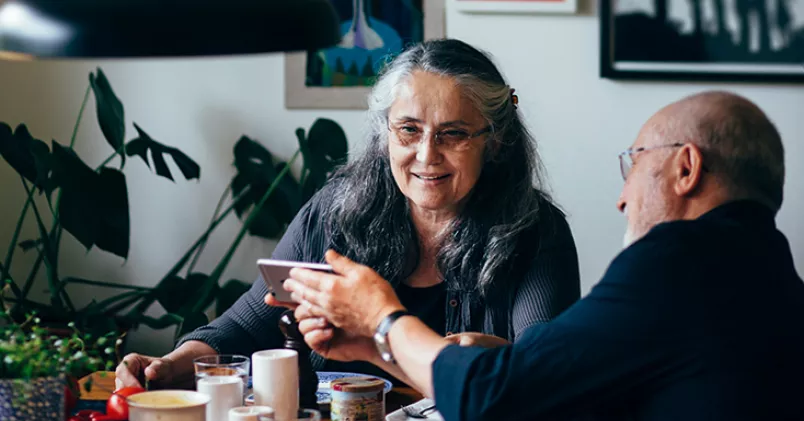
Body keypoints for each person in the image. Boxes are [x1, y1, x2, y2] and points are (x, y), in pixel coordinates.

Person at [283, 91, 804, 420]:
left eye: (635, 163)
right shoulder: (765, 268)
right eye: (408, 130)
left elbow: (501, 398)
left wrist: (382, 318)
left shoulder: (678, 263)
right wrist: (377, 349)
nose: (622, 198)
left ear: (686, 168)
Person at [114, 39, 581, 390]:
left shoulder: (537, 233)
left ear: (493, 141)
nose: (426, 154)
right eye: (408, 130)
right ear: (386, 134)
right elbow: (243, 326)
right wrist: (173, 363)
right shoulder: (336, 210)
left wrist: (503, 360)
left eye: (453, 134)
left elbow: (546, 377)